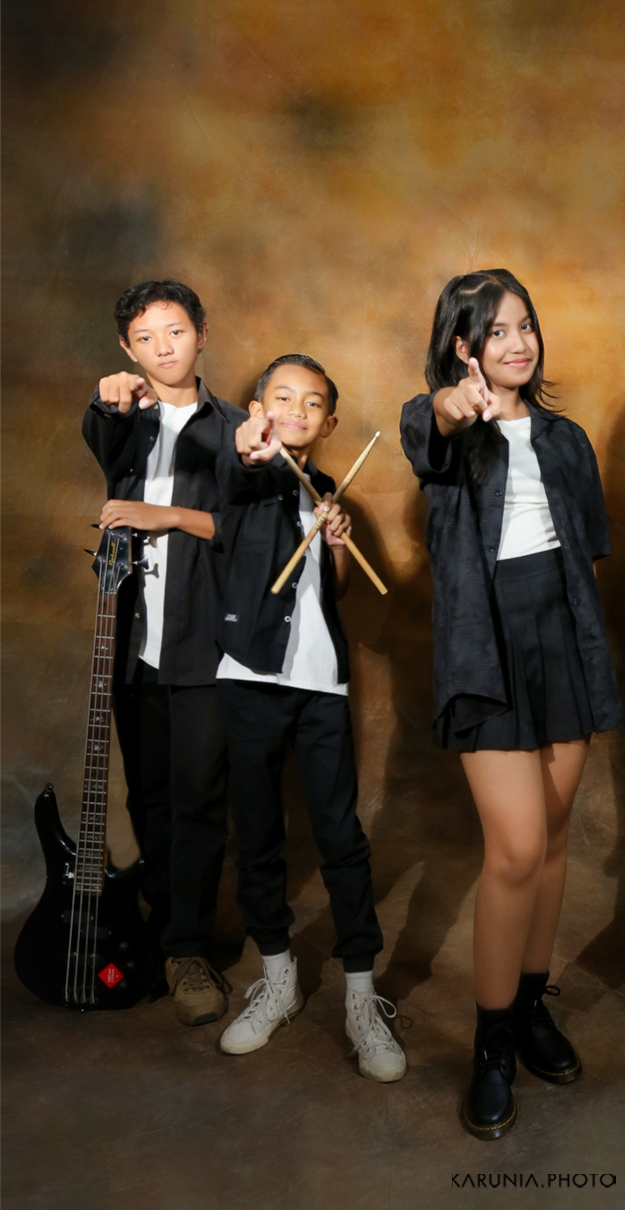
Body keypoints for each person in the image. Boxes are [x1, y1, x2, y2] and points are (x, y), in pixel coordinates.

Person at [400, 270, 623, 1140]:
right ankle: (491, 1045)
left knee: (554, 840)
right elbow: (432, 428)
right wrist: (457, 406)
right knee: (517, 847)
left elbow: (589, 549)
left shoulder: (567, 440)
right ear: (464, 346)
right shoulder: (442, 422)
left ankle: (531, 1009)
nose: (518, 342)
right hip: (483, 647)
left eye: (525, 325)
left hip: (563, 638)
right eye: (496, 331)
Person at [213, 354, 405, 1082]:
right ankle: (279, 979)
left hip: (321, 685)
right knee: (258, 832)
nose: (296, 409)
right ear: (257, 408)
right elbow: (236, 472)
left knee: (340, 836)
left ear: (330, 422)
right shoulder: (247, 468)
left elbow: (337, 588)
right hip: (249, 678)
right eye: (282, 397)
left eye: (312, 402)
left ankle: (360, 996)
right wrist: (249, 448)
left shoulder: (326, 487)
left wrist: (336, 542)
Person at [83, 279, 246, 1027]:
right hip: (128, 642)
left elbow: (250, 530)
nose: (162, 348)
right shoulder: (126, 418)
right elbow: (101, 431)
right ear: (127, 348)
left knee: (197, 797)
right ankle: (158, 924)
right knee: (146, 793)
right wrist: (107, 399)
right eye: (145, 339)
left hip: (204, 642)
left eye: (175, 331)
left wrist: (168, 514)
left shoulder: (238, 428)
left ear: (202, 334)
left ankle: (187, 948)